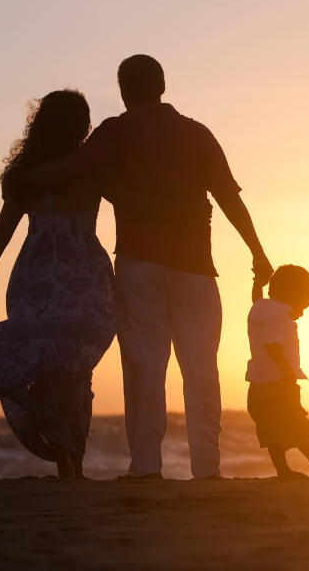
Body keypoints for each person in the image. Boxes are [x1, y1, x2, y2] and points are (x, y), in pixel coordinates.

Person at [19, 56, 273, 480]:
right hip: (196, 268)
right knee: (200, 367)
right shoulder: (197, 133)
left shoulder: (116, 131)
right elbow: (230, 198)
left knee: (144, 366)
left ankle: (146, 467)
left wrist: (21, 179)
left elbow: (73, 168)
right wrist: (258, 254)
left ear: (123, 89)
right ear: (163, 85)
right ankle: (207, 469)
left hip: (141, 266)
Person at [0, 89, 208, 480]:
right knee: (75, 367)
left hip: (34, 279)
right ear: (82, 126)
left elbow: (0, 235)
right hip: (84, 278)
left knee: (48, 362)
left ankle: (66, 461)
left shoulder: (26, 178)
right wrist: (187, 208)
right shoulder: (92, 171)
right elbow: (136, 204)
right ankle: (70, 461)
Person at [246, 265, 309, 480]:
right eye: (302, 305)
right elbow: (272, 345)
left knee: (270, 431)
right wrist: (288, 373)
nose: (300, 314)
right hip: (278, 384)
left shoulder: (261, 308)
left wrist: (257, 284)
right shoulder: (281, 317)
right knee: (299, 425)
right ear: (291, 292)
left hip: (256, 386)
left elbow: (257, 300)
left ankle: (283, 471)